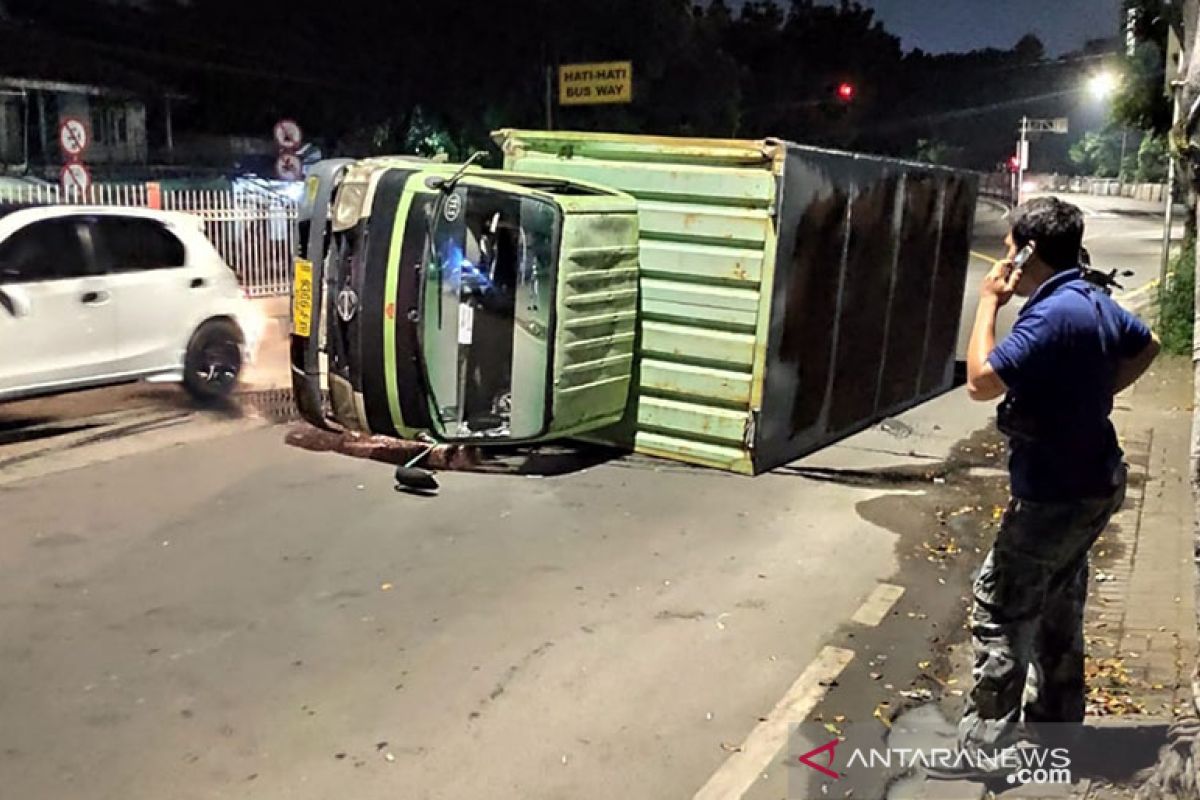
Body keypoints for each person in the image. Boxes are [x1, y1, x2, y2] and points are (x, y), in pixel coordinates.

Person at [941, 197, 1161, 773]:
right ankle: (1058, 724)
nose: (1006, 256)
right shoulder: (1091, 297)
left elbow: (982, 381)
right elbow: (1148, 345)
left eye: (1012, 246)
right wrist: (1097, 395)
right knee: (1060, 601)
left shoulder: (1052, 312)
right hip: (1095, 481)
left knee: (1000, 608)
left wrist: (989, 303)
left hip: (1055, 492)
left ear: (1029, 250)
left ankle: (984, 748)